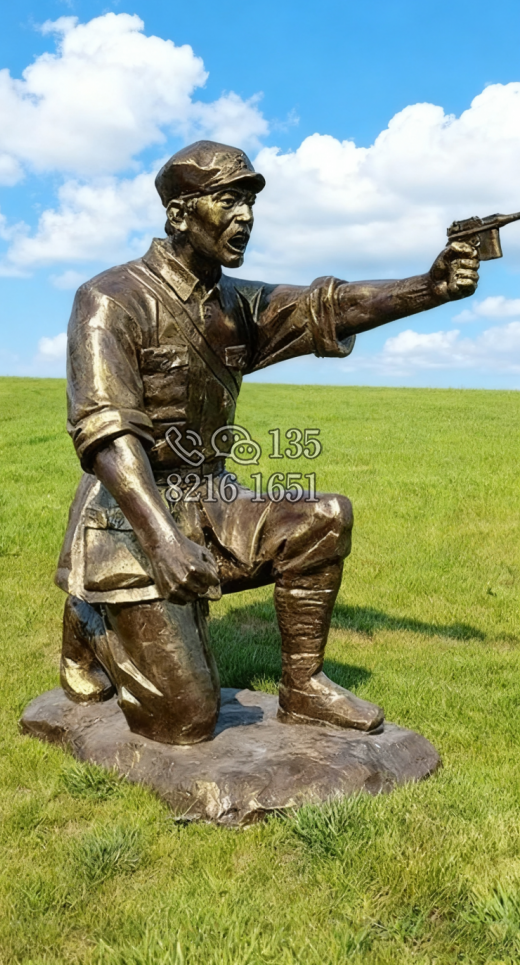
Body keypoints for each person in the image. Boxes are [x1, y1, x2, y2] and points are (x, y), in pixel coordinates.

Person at [56, 140, 479, 744]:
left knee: (322, 518)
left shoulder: (237, 303)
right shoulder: (110, 298)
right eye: (228, 200)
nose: (246, 217)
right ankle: (90, 614)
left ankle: (303, 686)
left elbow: (328, 306)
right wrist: (163, 541)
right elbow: (106, 431)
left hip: (212, 497)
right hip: (130, 516)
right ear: (178, 214)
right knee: (186, 722)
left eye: (250, 203)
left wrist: (429, 287)